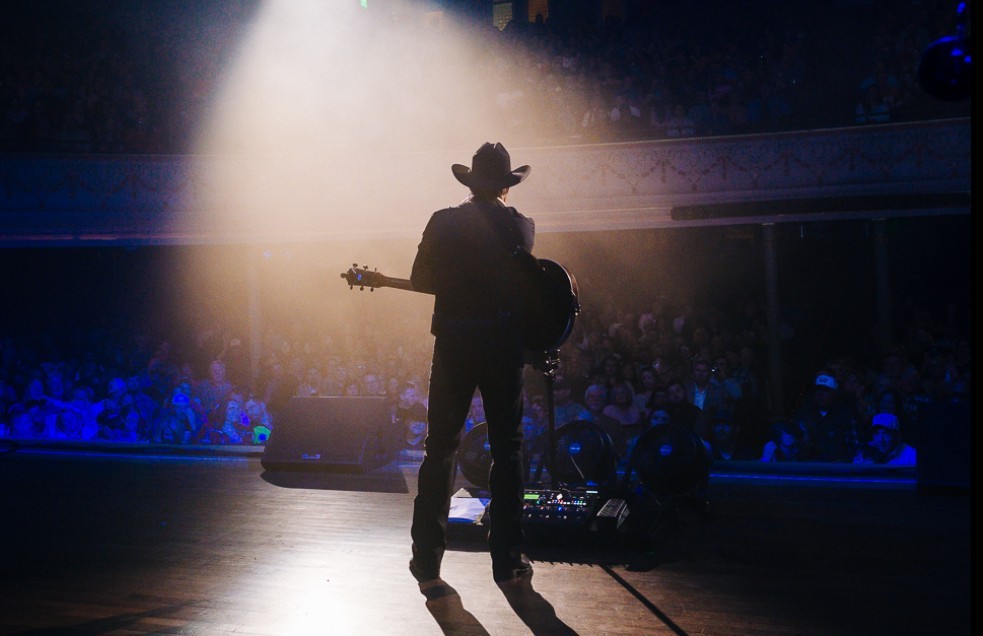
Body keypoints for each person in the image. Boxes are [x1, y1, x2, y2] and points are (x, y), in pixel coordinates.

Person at [408, 142, 535, 586]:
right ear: (505, 187)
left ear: (470, 183)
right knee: (507, 449)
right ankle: (507, 559)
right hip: (502, 347)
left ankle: (426, 561)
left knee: (440, 448)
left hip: (454, 345)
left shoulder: (442, 221)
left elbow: (421, 279)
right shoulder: (521, 225)